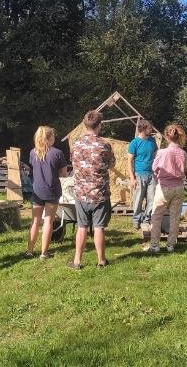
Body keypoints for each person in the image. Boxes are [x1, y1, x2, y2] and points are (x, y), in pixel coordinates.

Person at [69, 110, 115, 269]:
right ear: (99, 125)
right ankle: (101, 261)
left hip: (81, 194)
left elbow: (73, 164)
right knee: (99, 227)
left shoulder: (76, 144)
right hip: (100, 194)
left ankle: (77, 261)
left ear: (84, 124)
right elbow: (112, 164)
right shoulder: (104, 145)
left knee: (81, 227)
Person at [145, 124, 187, 254]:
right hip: (179, 187)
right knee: (175, 217)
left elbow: (154, 168)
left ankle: (155, 246)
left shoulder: (162, 152)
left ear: (166, 137)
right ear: (178, 136)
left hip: (164, 187)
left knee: (156, 216)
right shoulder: (183, 153)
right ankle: (170, 246)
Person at [26, 126, 68, 260]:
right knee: (48, 220)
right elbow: (64, 173)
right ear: (50, 137)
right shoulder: (57, 153)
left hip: (37, 191)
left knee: (35, 221)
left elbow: (33, 169)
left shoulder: (33, 152)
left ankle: (30, 251)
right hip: (52, 190)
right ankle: (44, 253)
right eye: (53, 136)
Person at [128, 119, 158, 230]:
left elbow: (156, 155)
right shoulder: (134, 143)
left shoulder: (152, 141)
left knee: (151, 199)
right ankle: (136, 220)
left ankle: (146, 220)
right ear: (143, 128)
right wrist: (132, 178)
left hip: (151, 174)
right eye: (149, 128)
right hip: (139, 174)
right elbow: (129, 161)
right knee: (138, 199)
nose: (151, 129)